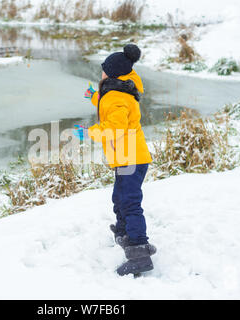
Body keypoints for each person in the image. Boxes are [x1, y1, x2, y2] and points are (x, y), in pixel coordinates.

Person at [75, 44, 157, 276]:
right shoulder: (119, 91)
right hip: (127, 157)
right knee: (119, 197)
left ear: (112, 73)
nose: (101, 73)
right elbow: (108, 106)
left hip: (130, 158)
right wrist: (94, 97)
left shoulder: (117, 97)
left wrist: (89, 132)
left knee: (130, 202)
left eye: (103, 70)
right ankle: (124, 233)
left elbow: (114, 127)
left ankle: (139, 252)